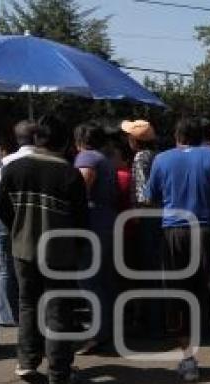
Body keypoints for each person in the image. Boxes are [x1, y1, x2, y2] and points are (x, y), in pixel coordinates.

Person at [0, 116, 87, 384]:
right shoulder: (70, 174)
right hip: (59, 251)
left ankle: (26, 361)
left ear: (37, 139)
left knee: (28, 304)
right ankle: (59, 374)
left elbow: (0, 207)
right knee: (59, 308)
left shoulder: (15, 167)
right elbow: (82, 220)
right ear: (65, 141)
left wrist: (19, 228)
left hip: (23, 248)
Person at [143, 117, 210, 381]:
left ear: (177, 136)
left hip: (174, 233)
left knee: (178, 295)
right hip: (209, 231)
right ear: (202, 137)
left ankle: (188, 361)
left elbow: (151, 197)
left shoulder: (161, 159)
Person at [73, 122, 118, 355]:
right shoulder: (105, 159)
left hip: (92, 226)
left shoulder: (86, 159)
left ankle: (98, 333)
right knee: (103, 280)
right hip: (106, 224)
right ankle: (106, 328)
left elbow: (80, 189)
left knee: (89, 280)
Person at [0, 120, 37, 327]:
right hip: (31, 219)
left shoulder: (6, 161)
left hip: (4, 219)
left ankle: (8, 314)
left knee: (6, 268)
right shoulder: (44, 160)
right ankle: (31, 309)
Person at [121, 119, 164, 337]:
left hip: (147, 218)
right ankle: (160, 320)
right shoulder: (159, 156)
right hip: (161, 217)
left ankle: (151, 323)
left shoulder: (140, 157)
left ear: (135, 140)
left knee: (148, 270)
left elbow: (142, 194)